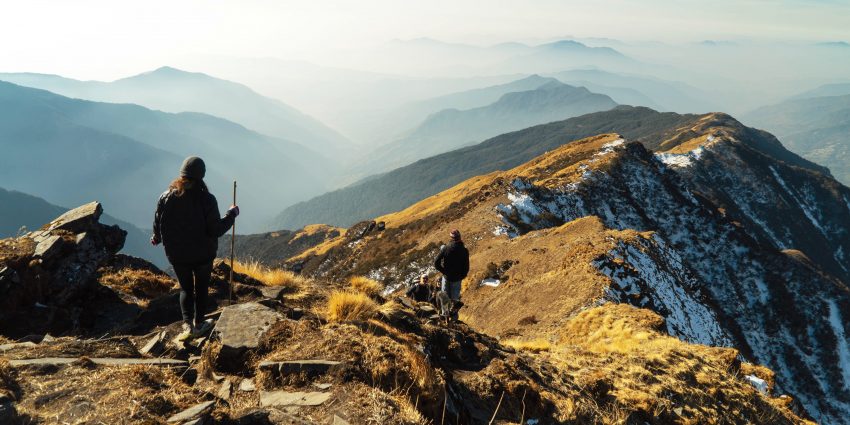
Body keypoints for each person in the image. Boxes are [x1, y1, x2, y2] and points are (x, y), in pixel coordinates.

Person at [151, 156, 239, 338]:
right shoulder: (207, 199)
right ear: (202, 175)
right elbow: (215, 229)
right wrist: (231, 215)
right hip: (202, 255)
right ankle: (199, 324)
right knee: (201, 288)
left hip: (177, 254)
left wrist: (157, 237)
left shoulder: (166, 197)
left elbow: (158, 221)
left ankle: (187, 325)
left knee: (185, 289)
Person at [434, 229, 469, 320]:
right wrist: (462, 276)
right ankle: (453, 320)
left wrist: (444, 271)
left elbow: (436, 262)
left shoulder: (446, 248)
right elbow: (466, 267)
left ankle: (444, 318)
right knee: (454, 301)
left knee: (445, 298)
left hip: (446, 277)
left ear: (451, 238)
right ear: (459, 237)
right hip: (457, 279)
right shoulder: (464, 250)